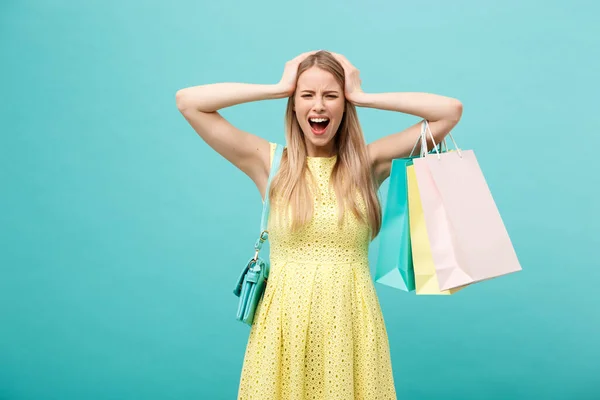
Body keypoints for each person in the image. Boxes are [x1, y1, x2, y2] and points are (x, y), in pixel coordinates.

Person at [175, 50, 463, 399]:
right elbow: (188, 102)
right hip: (283, 329)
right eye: (307, 95)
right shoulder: (270, 164)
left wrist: (363, 95)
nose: (319, 106)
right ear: (293, 105)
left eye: (331, 95)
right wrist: (277, 86)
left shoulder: (366, 165)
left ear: (345, 106)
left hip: (351, 326)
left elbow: (449, 111)